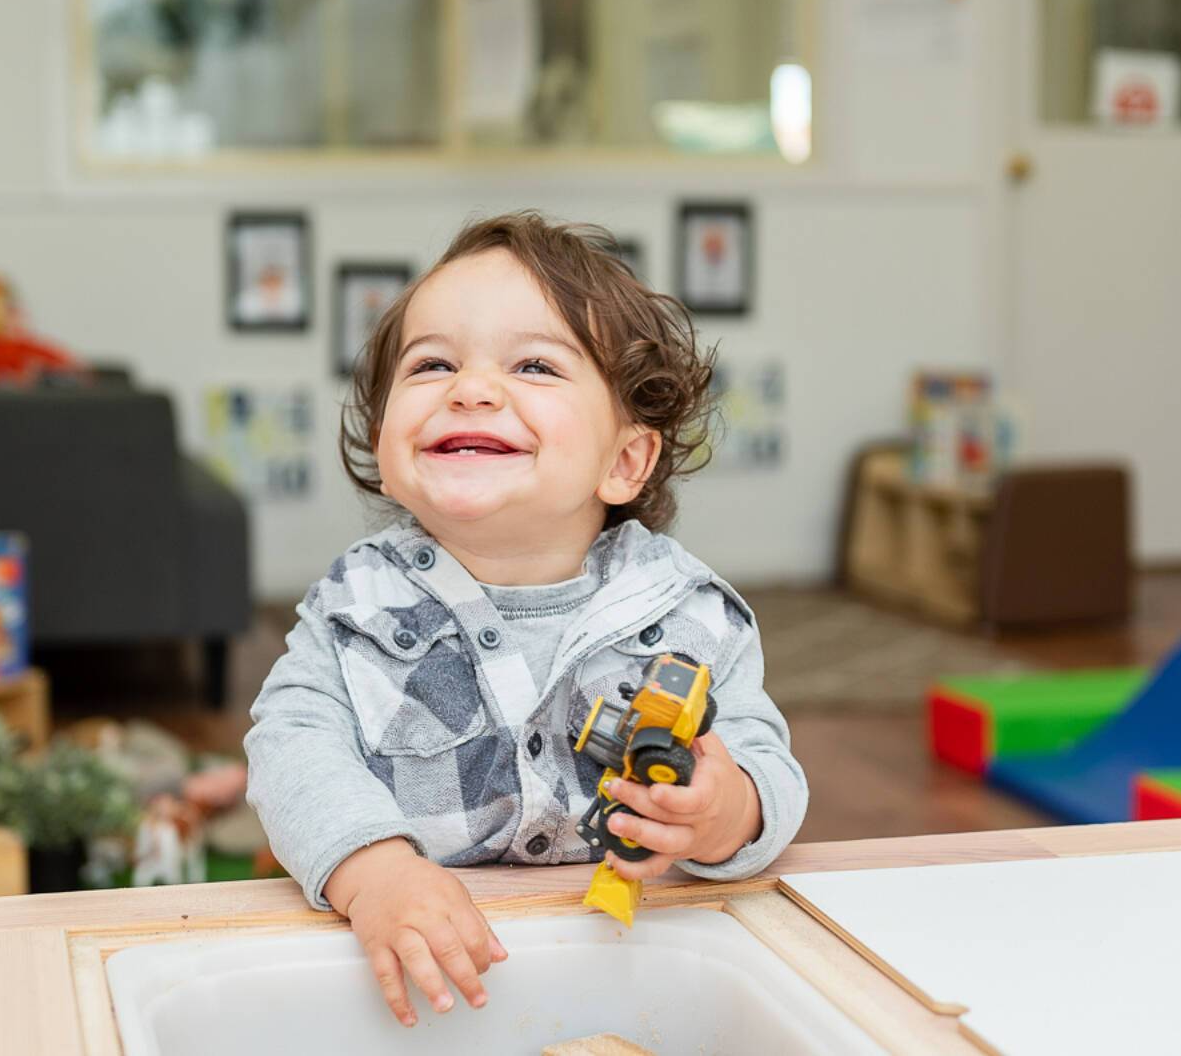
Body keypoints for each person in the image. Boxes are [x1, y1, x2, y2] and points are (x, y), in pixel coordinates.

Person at [243, 211, 808, 1027]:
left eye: (535, 365)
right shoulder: (355, 607)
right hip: (424, 985)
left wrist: (728, 812)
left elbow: (765, 762)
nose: (470, 389)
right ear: (385, 444)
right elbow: (291, 745)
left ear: (625, 460)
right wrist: (374, 871)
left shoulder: (689, 614)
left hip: (632, 974)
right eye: (432, 364)